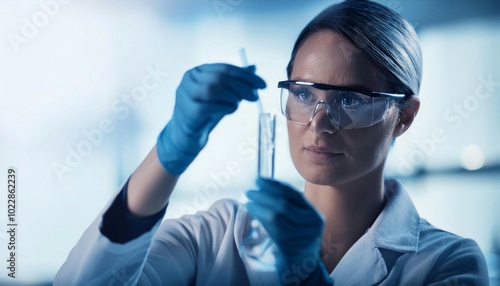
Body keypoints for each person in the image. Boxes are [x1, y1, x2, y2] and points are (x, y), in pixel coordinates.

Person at [54, 0, 489, 285]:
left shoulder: (446, 263)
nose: (319, 121)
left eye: (351, 99)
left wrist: (307, 274)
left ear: (405, 117)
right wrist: (169, 154)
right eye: (303, 93)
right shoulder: (217, 236)